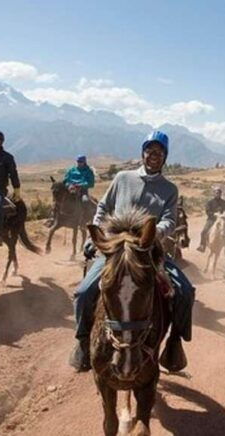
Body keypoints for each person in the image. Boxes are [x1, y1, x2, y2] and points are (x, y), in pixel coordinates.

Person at [69, 130, 195, 373]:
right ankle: (83, 342)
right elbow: (104, 206)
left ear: (165, 157)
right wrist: (99, 233)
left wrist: (152, 234)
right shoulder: (123, 178)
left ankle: (174, 343)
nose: (153, 156)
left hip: (149, 249)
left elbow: (169, 220)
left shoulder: (169, 189)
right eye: (149, 151)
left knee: (185, 291)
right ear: (143, 153)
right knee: (84, 292)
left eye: (159, 153)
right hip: (116, 249)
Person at [47, 154, 95, 225]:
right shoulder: (71, 170)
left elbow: (91, 183)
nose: (79, 163)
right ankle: (53, 218)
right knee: (58, 200)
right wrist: (69, 185)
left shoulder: (88, 171)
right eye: (78, 161)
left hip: (82, 190)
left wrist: (80, 185)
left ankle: (86, 219)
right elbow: (66, 180)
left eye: (81, 161)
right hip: (70, 189)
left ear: (84, 162)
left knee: (85, 201)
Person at [196, 186, 225, 253]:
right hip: (212, 220)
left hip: (222, 220)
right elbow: (207, 211)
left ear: (221, 194)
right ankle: (202, 245)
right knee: (204, 231)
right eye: (216, 192)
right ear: (214, 193)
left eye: (219, 193)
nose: (217, 194)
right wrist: (214, 214)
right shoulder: (210, 202)